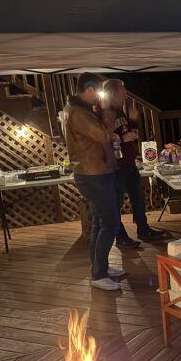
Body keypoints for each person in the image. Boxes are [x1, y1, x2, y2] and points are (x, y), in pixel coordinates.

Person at [62, 72, 123, 291]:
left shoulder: (79, 109)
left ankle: (101, 268)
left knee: (99, 223)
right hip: (93, 175)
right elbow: (104, 135)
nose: (99, 97)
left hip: (94, 171)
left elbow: (97, 137)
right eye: (98, 92)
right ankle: (98, 275)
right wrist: (107, 110)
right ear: (89, 90)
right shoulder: (77, 113)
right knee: (110, 223)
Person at [99, 79, 166, 247]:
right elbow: (103, 140)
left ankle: (143, 230)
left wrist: (134, 120)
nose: (126, 93)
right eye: (123, 90)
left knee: (138, 198)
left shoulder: (119, 111)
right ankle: (120, 237)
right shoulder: (104, 113)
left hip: (129, 163)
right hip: (116, 166)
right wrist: (123, 138)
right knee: (116, 203)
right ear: (114, 93)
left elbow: (128, 132)